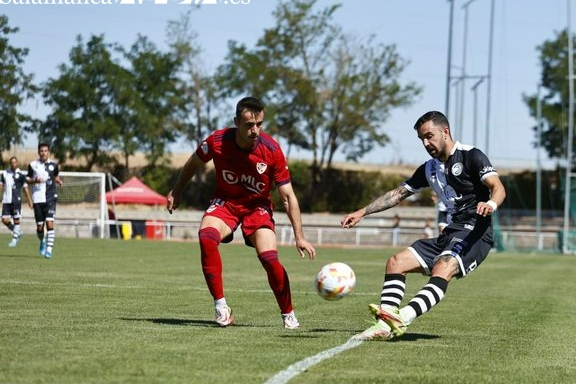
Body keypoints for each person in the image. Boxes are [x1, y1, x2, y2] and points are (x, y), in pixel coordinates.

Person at [341, 110, 506, 340]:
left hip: (475, 232)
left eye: (429, 136)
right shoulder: (428, 169)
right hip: (450, 232)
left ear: (445, 131)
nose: (426, 143)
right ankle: (384, 324)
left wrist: (490, 204)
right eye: (422, 139)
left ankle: (404, 317)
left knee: (444, 267)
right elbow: (398, 194)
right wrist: (363, 211)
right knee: (396, 262)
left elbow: (497, 186)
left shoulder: (471, 156)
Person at [167, 96, 317, 329]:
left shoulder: (271, 150)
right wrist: (176, 191)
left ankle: (288, 315)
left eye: (259, 124)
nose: (255, 130)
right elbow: (194, 163)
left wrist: (299, 235)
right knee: (206, 237)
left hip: (257, 207)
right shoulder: (217, 141)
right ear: (237, 121)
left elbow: (287, 196)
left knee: (269, 258)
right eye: (249, 125)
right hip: (226, 203)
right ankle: (221, 307)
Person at [26, 143, 62, 259]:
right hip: (38, 198)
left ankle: (49, 251)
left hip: (51, 197)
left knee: (50, 223)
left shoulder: (54, 165)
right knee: (40, 227)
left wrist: (59, 181)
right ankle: (42, 241)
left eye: (45, 151)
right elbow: (27, 179)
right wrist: (34, 181)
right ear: (38, 152)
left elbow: (55, 176)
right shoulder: (33, 165)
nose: (43, 153)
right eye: (41, 151)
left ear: (48, 152)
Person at [1, 156, 33, 247]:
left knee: (16, 220)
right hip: (6, 200)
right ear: (10, 163)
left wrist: (29, 200)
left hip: (16, 200)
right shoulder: (5, 173)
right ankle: (17, 232)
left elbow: (25, 188)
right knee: (4, 220)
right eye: (11, 162)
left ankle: (14, 240)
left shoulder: (21, 175)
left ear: (17, 163)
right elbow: (1, 186)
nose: (13, 164)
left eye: (15, 162)